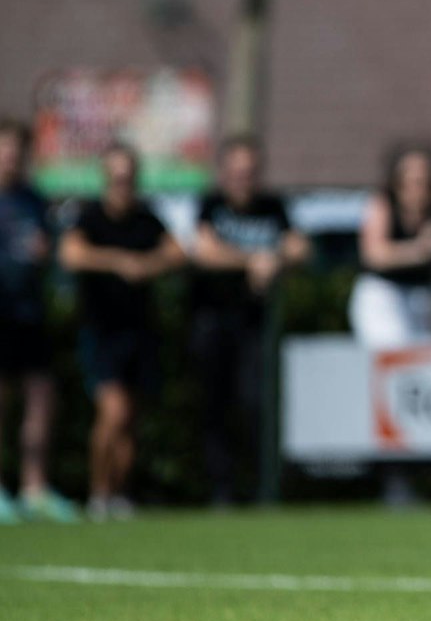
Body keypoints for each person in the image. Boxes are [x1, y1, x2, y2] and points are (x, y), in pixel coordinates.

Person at [60, 144, 183, 521]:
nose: (122, 185)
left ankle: (120, 495)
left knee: (130, 419)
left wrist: (147, 264)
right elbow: (71, 255)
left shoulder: (148, 219)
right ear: (105, 179)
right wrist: (117, 261)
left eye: (128, 178)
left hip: (140, 331)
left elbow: (178, 253)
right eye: (116, 178)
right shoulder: (89, 217)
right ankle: (99, 494)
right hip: (102, 330)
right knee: (112, 412)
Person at [189, 136, 310, 507]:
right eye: (237, 172)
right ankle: (220, 490)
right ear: (225, 174)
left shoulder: (273, 206)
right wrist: (255, 260)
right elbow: (205, 252)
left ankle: (263, 489)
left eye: (251, 172)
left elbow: (300, 248)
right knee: (215, 406)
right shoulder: (210, 205)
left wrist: (274, 259)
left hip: (254, 326)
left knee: (256, 403)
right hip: (211, 321)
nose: (244, 179)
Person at [0, 121, 76, 523]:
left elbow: (52, 254)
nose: (10, 156)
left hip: (31, 314)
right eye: (4, 148)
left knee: (41, 399)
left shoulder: (33, 201)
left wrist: (45, 254)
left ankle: (34, 487)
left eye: (16, 149)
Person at [351, 146, 431, 348]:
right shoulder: (383, 203)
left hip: (427, 298)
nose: (418, 190)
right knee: (395, 356)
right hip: (384, 296)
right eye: (410, 182)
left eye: (426, 182)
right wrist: (419, 249)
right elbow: (373, 254)